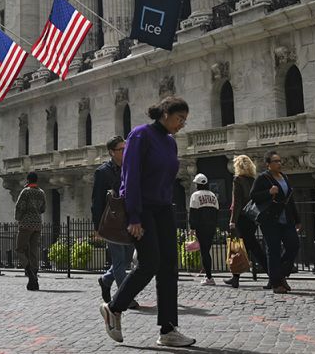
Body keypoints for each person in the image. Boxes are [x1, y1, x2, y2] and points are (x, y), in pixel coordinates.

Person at [100, 96, 195, 348]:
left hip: (164, 208)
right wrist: (134, 215)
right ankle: (114, 308)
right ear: (165, 114)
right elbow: (129, 176)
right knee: (150, 262)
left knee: (169, 266)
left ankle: (168, 329)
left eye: (185, 120)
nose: (181, 124)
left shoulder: (170, 142)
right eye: (179, 118)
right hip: (143, 209)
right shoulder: (140, 135)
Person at [92, 135, 136, 306]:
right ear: (111, 152)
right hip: (111, 222)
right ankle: (125, 297)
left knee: (126, 259)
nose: (125, 152)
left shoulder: (129, 168)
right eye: (121, 149)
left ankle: (105, 280)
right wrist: (98, 227)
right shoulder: (102, 172)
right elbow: (96, 201)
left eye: (126, 148)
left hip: (129, 219)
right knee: (118, 261)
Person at [250, 150, 300, 295]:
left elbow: (290, 200)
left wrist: (297, 219)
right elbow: (253, 196)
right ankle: (276, 283)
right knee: (273, 251)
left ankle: (280, 274)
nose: (279, 163)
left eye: (280, 161)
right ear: (268, 164)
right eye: (275, 161)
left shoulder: (284, 177)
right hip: (270, 220)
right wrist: (269, 192)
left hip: (287, 219)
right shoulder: (263, 178)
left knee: (294, 245)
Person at [225, 153, 266, 287]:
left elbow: (237, 202)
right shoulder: (253, 180)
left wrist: (232, 221)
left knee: (245, 246)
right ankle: (235, 277)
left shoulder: (238, 180)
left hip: (242, 218)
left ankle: (272, 273)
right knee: (246, 246)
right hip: (252, 217)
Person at [15, 172, 45, 291]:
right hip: (37, 225)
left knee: (20, 249)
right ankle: (34, 279)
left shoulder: (25, 192)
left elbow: (19, 207)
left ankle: (28, 271)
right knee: (33, 251)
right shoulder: (41, 192)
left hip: (26, 224)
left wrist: (19, 218)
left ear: (28, 180)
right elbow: (43, 208)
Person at [188, 174, 220, 285]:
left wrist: (192, 228)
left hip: (201, 227)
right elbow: (216, 212)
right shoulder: (213, 196)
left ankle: (209, 277)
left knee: (204, 252)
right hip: (211, 226)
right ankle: (208, 275)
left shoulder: (195, 195)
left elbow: (193, 213)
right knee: (207, 250)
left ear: (197, 184)